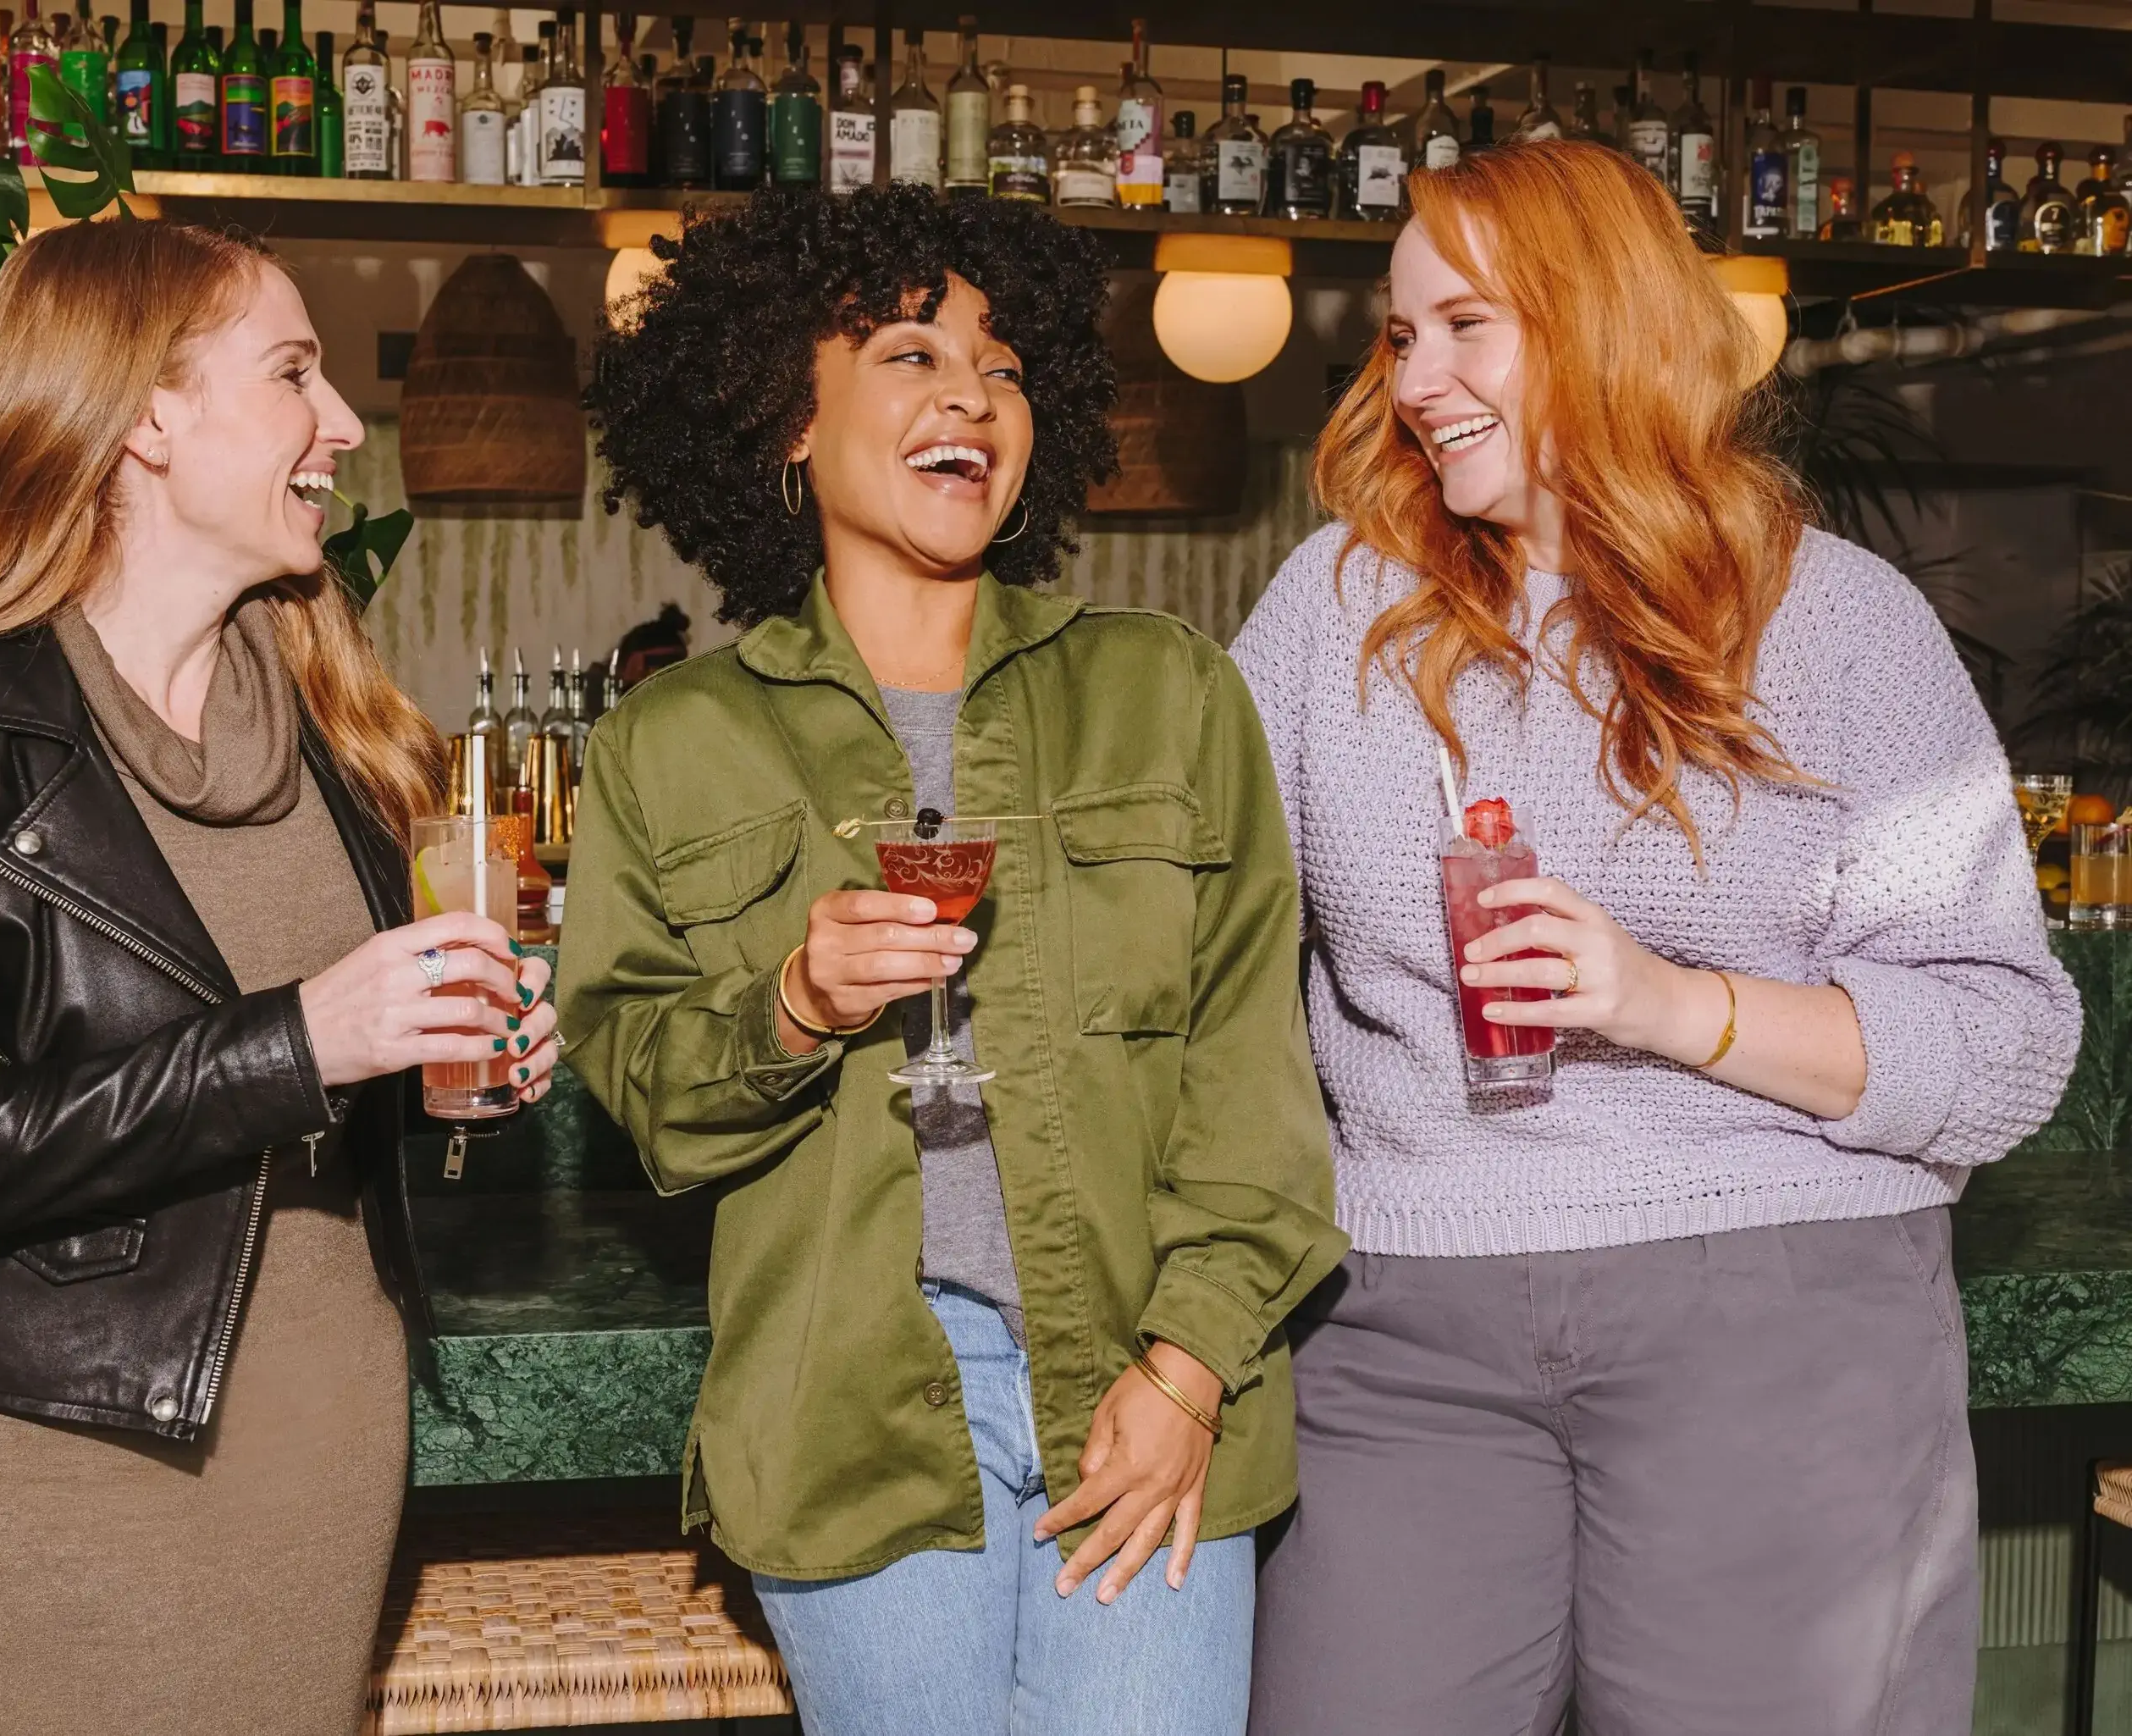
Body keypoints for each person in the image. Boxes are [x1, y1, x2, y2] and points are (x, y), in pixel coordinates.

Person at [1230, 141, 2080, 1736]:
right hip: (1402, 1314)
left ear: (1598, 321)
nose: (1417, 381)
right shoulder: (1332, 611)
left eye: (1465, 328)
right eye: (1401, 338)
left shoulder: (1837, 621)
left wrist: (1666, 1001)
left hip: (1778, 1306)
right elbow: (1198, 945)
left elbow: (2007, 1042)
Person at [0, 219, 559, 1736]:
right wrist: (301, 1040)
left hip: (318, 1441)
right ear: (149, 416)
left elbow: (335, 1090)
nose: (343, 423)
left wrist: (458, 1058)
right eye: (294, 373)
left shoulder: (333, 712)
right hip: (48, 1456)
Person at [560, 184, 1344, 1735]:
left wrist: (1188, 1370)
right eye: (913, 354)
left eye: (1003, 367)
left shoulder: (1170, 695)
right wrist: (794, 1004)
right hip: (850, 1412)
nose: (973, 397)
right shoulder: (671, 744)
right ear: (789, 415)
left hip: (1144, 1380)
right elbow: (650, 1099)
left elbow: (1259, 1089)